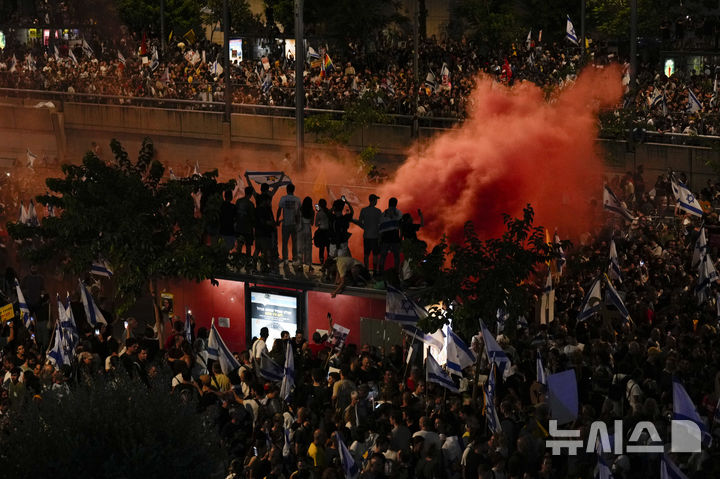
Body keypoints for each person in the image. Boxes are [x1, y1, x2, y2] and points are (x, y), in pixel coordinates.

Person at [277, 183, 301, 266]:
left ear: (287, 190)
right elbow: (299, 213)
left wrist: (277, 219)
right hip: (294, 224)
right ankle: (294, 259)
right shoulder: (297, 200)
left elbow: (279, 210)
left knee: (285, 242)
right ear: (293, 190)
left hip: (286, 224)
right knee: (295, 243)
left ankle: (285, 259)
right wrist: (299, 224)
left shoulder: (283, 199)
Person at [358, 194, 382, 276]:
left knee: (366, 254)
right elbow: (381, 225)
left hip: (366, 236)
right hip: (375, 236)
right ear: (374, 200)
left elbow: (360, 222)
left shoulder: (363, 210)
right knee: (375, 254)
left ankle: (366, 270)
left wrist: (365, 228)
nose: (376, 202)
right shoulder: (378, 212)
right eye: (376, 200)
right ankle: (375, 271)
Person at [378, 197, 403, 273]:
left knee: (383, 256)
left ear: (388, 204)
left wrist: (379, 240)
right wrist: (400, 238)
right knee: (396, 256)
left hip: (385, 237)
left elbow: (380, 229)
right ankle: (396, 272)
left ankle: (381, 272)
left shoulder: (383, 214)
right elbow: (401, 227)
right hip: (395, 236)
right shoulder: (399, 213)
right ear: (396, 204)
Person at [235, 186, 256, 256]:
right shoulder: (250, 204)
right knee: (248, 246)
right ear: (251, 194)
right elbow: (253, 217)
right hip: (247, 229)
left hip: (239, 227)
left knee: (239, 246)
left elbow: (235, 214)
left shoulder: (238, 201)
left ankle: (237, 261)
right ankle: (248, 262)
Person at [297, 196, 315, 272]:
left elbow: (297, 220)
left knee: (300, 248)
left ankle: (300, 265)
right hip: (308, 229)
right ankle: (309, 265)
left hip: (301, 229)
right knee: (308, 248)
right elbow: (312, 223)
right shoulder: (312, 211)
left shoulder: (300, 210)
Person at [313, 199, 331, 264]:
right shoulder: (329, 212)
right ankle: (329, 265)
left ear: (320, 205)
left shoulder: (319, 213)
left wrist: (320, 223)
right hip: (328, 232)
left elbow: (316, 224)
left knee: (321, 249)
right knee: (329, 249)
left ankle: (322, 264)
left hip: (321, 232)